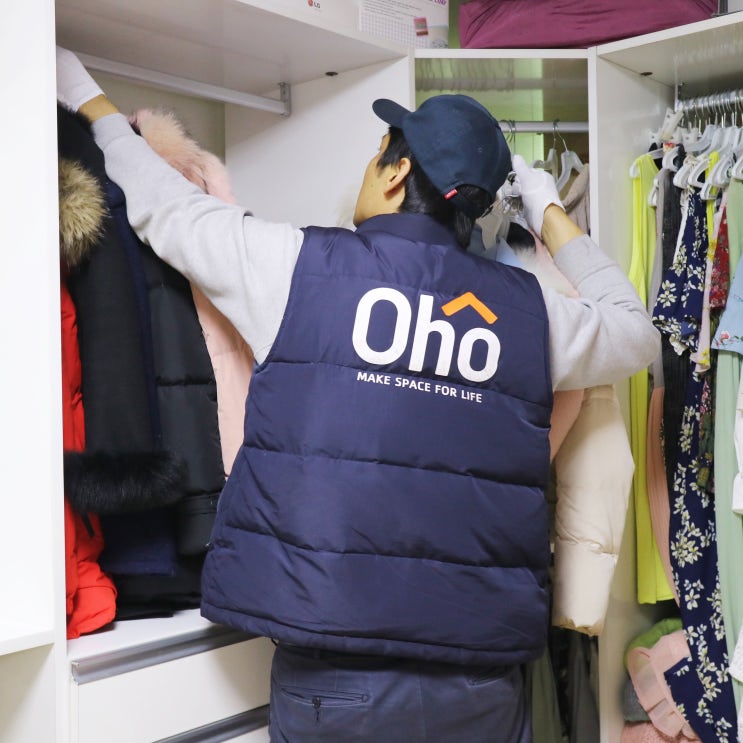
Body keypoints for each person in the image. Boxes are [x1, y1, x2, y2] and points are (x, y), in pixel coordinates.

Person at [56, 47, 660, 743]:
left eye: (377, 154)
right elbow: (633, 330)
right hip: (482, 684)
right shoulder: (533, 314)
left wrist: (80, 86)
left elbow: (164, 205)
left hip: (336, 683)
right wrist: (548, 208)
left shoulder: (295, 268)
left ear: (397, 172)